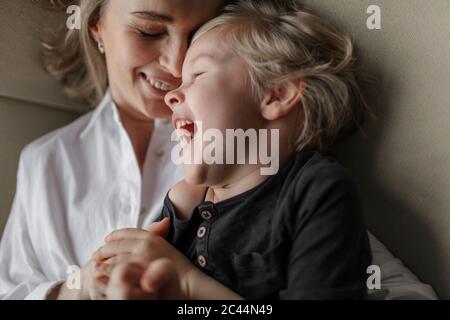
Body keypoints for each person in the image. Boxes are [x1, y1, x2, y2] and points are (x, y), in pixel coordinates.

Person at [94, 0, 373, 300]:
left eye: (197, 75)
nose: (173, 95)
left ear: (277, 93)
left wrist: (189, 285)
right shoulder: (183, 209)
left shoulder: (317, 192)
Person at [0, 0, 227, 300]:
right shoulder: (44, 162)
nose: (176, 65)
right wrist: (78, 289)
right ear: (96, 26)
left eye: (198, 35)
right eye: (149, 32)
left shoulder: (242, 149)